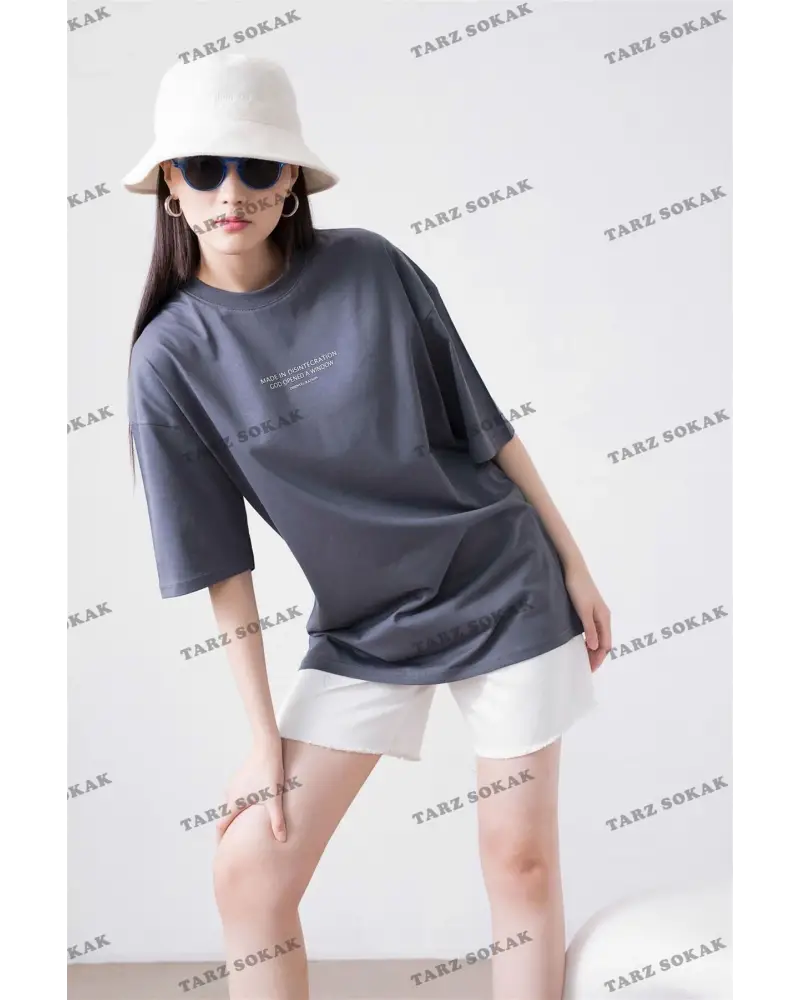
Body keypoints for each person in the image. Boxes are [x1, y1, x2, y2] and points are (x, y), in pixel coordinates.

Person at [123, 53, 611, 1000]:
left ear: (292, 181)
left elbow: (485, 426)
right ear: (171, 186)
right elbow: (223, 566)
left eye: (258, 167)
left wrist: (574, 564)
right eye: (206, 168)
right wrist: (263, 740)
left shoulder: (371, 268)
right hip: (365, 627)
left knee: (519, 863)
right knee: (249, 872)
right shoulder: (170, 358)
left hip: (503, 581)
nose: (233, 192)